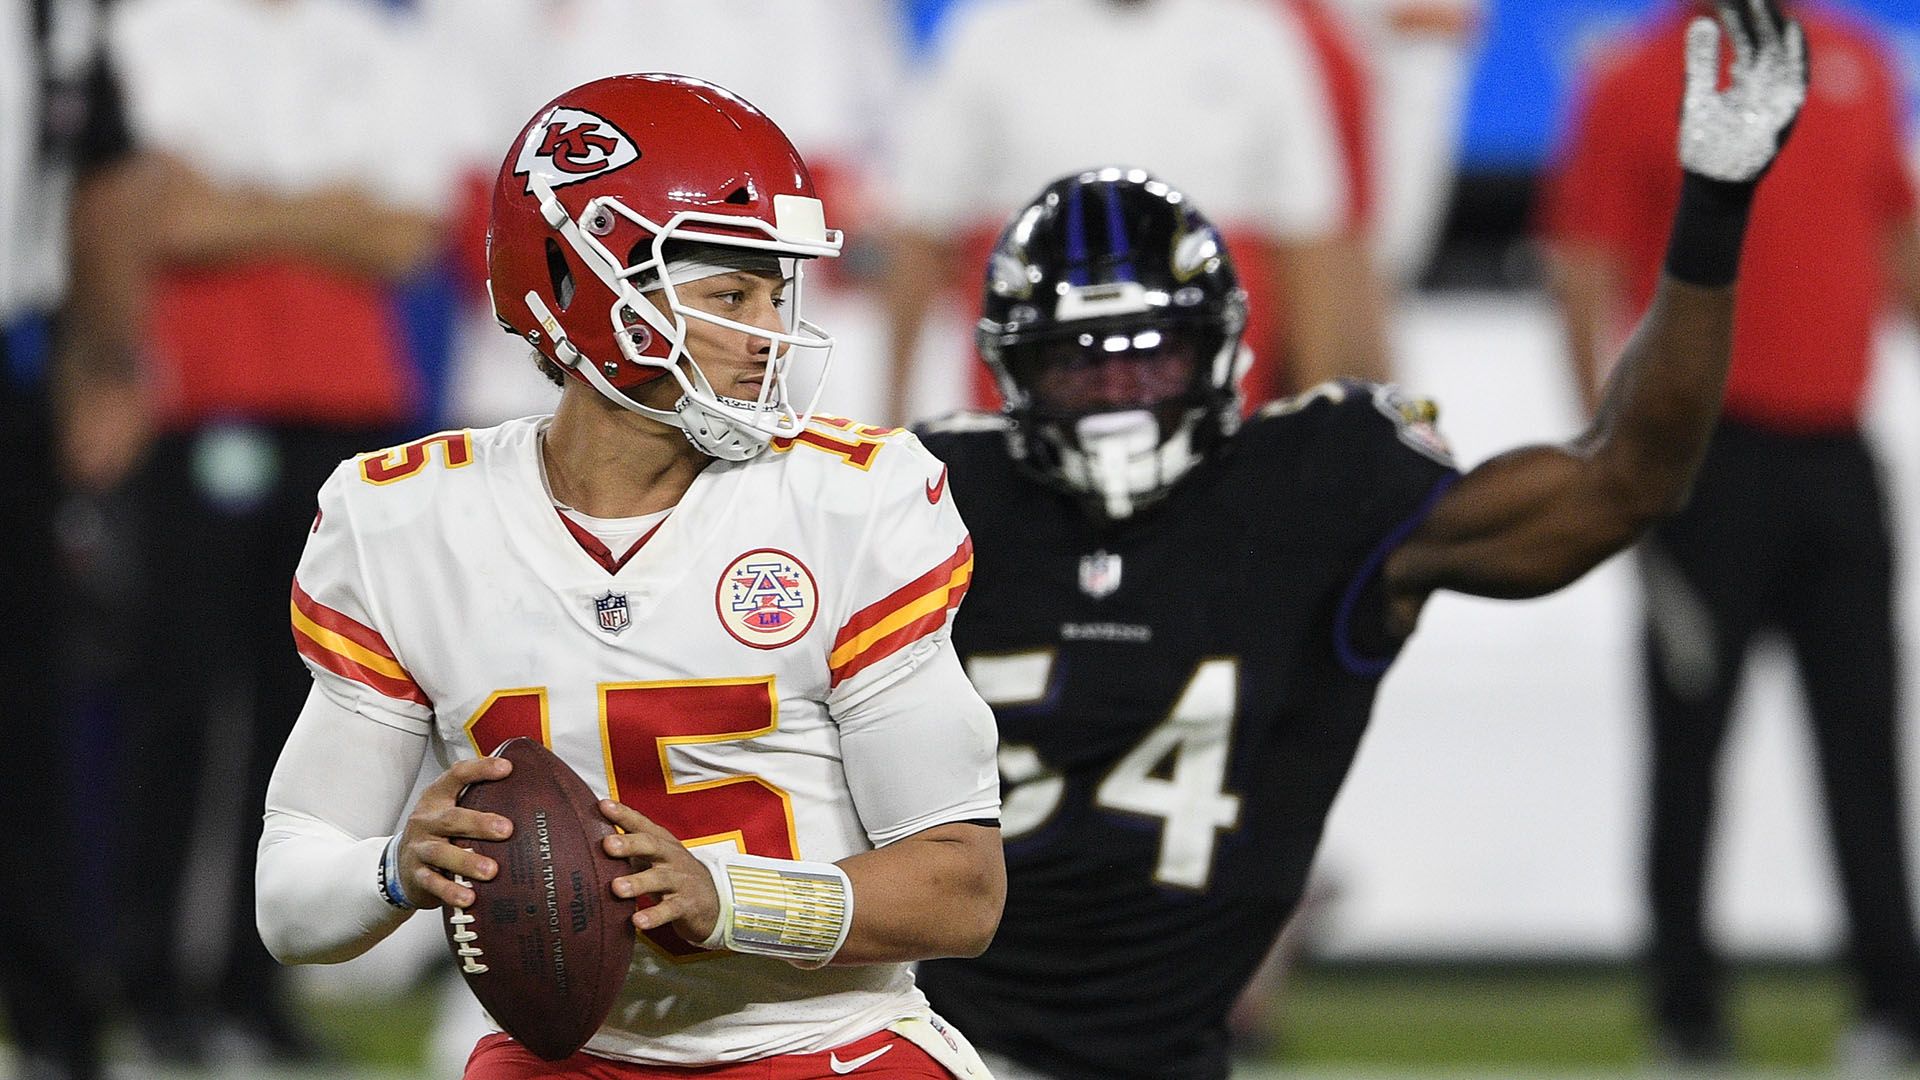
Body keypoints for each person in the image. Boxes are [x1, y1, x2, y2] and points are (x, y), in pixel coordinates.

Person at [909, 0, 1807, 1075]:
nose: (1115, 396)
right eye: (1079, 364)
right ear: (1012, 370)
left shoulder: (1313, 485)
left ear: (1227, 354)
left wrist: (1710, 218)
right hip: (906, 1040)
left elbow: (1623, 481)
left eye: (1149, 360)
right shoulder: (926, 499)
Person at [254, 74, 1005, 1079]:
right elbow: (290, 897)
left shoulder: (850, 503)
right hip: (567, 1052)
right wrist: (397, 868)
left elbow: (962, 893)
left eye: (776, 294)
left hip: (825, 1043)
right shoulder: (406, 520)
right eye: (731, 294)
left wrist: (729, 899)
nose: (767, 337)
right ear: (579, 287)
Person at [1538, 0, 1920, 1064]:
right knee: (1690, 748)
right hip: (1699, 466)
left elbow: (1896, 239)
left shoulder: (1858, 60)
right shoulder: (1635, 79)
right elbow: (1583, 266)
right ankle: (1688, 1014)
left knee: (1866, 742)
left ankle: (1895, 1002)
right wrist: (1608, 467)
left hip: (1838, 451)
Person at [884, 0, 1388, 425]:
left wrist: (1317, 428)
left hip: (1217, 408)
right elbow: (920, 228)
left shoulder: (1253, 34)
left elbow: (1314, 248)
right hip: (1029, 403)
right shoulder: (993, 34)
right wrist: (892, 412)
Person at [0, 1, 131, 1075]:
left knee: (26, 698)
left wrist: (106, 360)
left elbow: (100, 171)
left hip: (11, 368)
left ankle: (51, 1003)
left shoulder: (59, 19)